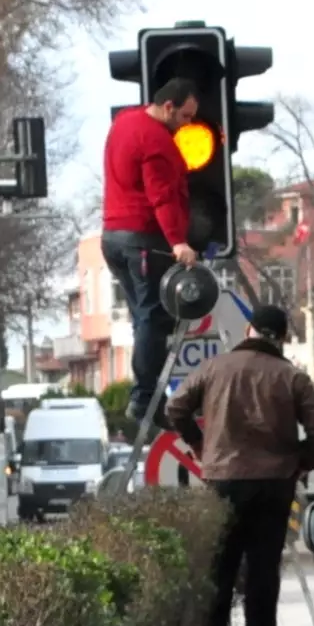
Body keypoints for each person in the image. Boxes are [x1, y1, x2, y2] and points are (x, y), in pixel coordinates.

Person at [167, 305, 314, 626]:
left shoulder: (214, 368)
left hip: (222, 480)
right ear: (283, 338)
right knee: (263, 564)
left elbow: (176, 407)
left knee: (220, 564)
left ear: (248, 331)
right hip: (274, 483)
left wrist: (199, 444)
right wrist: (303, 463)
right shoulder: (293, 377)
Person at [103, 77, 201, 432]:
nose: (187, 125)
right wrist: (177, 241)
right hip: (142, 238)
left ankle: (144, 395)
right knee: (153, 319)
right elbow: (161, 195)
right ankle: (146, 399)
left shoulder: (125, 121)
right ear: (169, 107)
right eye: (186, 117)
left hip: (113, 236)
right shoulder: (157, 141)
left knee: (142, 318)